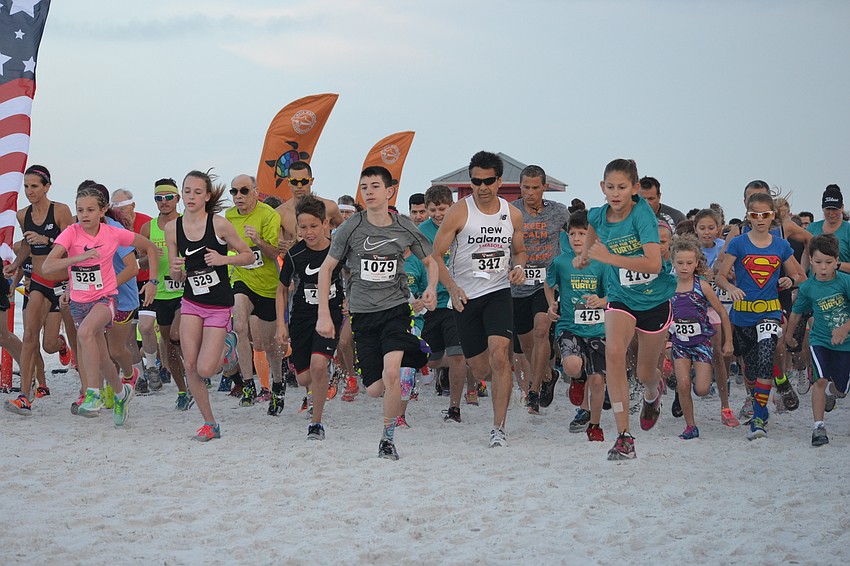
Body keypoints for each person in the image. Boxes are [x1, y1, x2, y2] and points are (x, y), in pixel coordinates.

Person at [316, 165, 437, 460]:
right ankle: (415, 348)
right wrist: (323, 313)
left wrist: (431, 288)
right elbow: (326, 268)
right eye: (364, 187)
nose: (368, 192)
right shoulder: (351, 226)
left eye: (374, 186)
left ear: (389, 192)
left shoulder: (404, 226)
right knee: (374, 388)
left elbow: (431, 261)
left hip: (396, 309)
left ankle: (387, 439)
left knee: (392, 372)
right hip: (363, 313)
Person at [573, 159, 676, 460]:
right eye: (610, 187)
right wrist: (584, 255)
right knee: (614, 352)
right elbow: (593, 226)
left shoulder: (642, 215)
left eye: (622, 187)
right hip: (621, 296)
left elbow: (654, 264)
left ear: (634, 189)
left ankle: (652, 393)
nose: (615, 194)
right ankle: (624, 436)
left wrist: (608, 257)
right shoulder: (598, 214)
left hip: (654, 299)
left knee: (645, 372)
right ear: (601, 187)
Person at [431, 151, 527, 447]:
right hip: (466, 297)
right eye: (476, 181)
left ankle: (498, 427)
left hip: (498, 291)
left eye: (488, 181)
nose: (482, 187)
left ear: (499, 181)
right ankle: (499, 375)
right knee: (482, 368)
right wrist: (452, 288)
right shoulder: (460, 212)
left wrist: (520, 266)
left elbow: (519, 251)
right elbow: (436, 254)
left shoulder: (512, 214)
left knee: (499, 354)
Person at [40, 185, 159, 425]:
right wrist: (77, 260)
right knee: (103, 357)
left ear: (103, 210)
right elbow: (47, 267)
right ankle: (120, 393)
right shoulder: (72, 233)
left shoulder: (112, 233)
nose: (85, 215)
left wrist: (154, 281)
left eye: (90, 210)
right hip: (79, 303)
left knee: (86, 336)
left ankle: (92, 393)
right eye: (80, 210)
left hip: (107, 299)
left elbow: (150, 247)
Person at [166, 170, 254, 441]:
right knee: (191, 365)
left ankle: (229, 345)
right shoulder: (173, 228)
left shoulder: (219, 225)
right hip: (192, 301)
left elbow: (248, 256)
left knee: (206, 369)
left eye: (197, 192)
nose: (191, 197)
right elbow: (175, 274)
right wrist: (177, 269)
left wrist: (223, 259)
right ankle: (210, 423)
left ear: (207, 196)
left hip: (218, 304)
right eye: (187, 191)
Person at [715, 192, 805, 440]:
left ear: (772, 216)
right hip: (742, 317)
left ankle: (758, 418)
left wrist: (790, 279)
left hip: (770, 312)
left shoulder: (781, 245)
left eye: (765, 214)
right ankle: (773, 382)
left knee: (765, 356)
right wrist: (731, 288)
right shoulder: (739, 243)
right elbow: (720, 276)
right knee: (752, 372)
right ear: (749, 217)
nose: (760, 219)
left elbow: (800, 277)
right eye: (755, 215)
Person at [3, 165, 74, 414]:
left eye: (34, 186)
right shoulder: (23, 215)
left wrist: (49, 241)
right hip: (39, 283)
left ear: (47, 187)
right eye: (26, 187)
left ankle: (87, 389)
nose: (29, 191)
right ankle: (25, 394)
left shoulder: (61, 210)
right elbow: (27, 246)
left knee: (51, 344)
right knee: (30, 337)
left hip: (64, 284)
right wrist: (15, 264)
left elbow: (74, 243)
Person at [276, 194, 346, 438]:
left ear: (326, 224)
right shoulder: (295, 254)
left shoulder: (338, 250)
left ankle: (316, 422)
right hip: (302, 317)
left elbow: (351, 274)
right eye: (303, 227)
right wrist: (281, 324)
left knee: (318, 366)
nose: (309, 232)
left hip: (331, 315)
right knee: (303, 375)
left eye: (314, 226)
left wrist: (349, 299)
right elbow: (282, 289)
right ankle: (329, 375)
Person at [510, 165, 569, 414]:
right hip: (519, 284)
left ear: (545, 187)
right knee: (525, 343)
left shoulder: (559, 212)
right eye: (526, 187)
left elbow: (581, 233)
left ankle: (533, 393)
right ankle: (546, 374)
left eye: (535, 187)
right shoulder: (512, 211)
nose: (530, 192)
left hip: (548, 282)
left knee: (542, 330)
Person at [545, 210, 608, 441]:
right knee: (572, 366)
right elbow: (548, 283)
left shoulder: (602, 263)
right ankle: (578, 379)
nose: (577, 238)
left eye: (583, 233)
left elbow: (613, 292)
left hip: (598, 329)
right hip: (569, 325)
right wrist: (552, 305)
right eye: (573, 233)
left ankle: (594, 423)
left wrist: (602, 301)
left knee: (598, 380)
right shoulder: (561, 261)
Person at [785, 234, 850, 446]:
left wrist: (844, 328)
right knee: (820, 380)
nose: (823, 268)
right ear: (810, 260)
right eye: (818, 262)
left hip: (845, 344)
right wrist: (789, 335)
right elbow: (796, 312)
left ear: (837, 261)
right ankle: (818, 427)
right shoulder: (807, 287)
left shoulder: (845, 282)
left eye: (829, 263)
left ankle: (834, 393)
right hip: (820, 340)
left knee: (841, 388)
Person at [225, 174, 284, 408]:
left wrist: (258, 240)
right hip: (242, 278)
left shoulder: (269, 215)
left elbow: (272, 254)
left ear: (255, 191)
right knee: (239, 325)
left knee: (268, 344)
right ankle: (248, 384)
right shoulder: (228, 217)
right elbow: (223, 243)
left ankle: (277, 384)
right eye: (234, 192)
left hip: (268, 285)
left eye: (244, 191)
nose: (238, 196)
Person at [668, 236, 733, 439]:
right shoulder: (669, 287)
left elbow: (722, 312)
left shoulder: (702, 286)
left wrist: (728, 340)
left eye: (689, 263)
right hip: (679, 343)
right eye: (680, 263)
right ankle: (690, 426)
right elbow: (663, 315)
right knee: (683, 385)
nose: (684, 267)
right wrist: (665, 342)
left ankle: (698, 374)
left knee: (703, 389)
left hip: (702, 343)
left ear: (696, 263)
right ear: (673, 263)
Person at [419, 184, 471, 422]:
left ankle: (454, 407)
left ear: (451, 206)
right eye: (433, 210)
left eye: (442, 208)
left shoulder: (462, 226)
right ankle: (446, 370)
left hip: (456, 300)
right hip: (430, 302)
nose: (438, 214)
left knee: (458, 354)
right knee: (429, 358)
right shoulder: (421, 232)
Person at [139, 180, 192, 406]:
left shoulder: (187, 224)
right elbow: (139, 264)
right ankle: (183, 390)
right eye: (158, 198)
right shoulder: (147, 229)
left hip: (185, 291)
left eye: (168, 197)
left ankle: (196, 371)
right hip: (160, 292)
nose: (164, 202)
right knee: (169, 348)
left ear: (178, 198)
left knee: (177, 335)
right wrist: (151, 254)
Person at [693, 208, 738, 426]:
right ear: (695, 230)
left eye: (711, 228)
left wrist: (729, 275)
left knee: (719, 356)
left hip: (719, 308)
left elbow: (734, 273)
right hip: (693, 309)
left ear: (719, 229)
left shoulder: (725, 248)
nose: (707, 232)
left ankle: (725, 405)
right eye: (702, 228)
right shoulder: (690, 251)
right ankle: (679, 394)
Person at [276, 161, 343, 253]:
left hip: (326, 261)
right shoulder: (280, 213)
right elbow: (270, 241)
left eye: (303, 181)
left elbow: (345, 231)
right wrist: (278, 243)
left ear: (311, 181)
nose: (299, 186)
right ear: (288, 182)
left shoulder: (329, 206)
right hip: (297, 262)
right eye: (295, 182)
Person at [807, 185, 850, 269]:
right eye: (828, 209)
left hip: (842, 280)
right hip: (814, 280)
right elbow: (805, 254)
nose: (831, 213)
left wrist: (835, 264)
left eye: (835, 209)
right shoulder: (812, 228)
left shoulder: (847, 231)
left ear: (842, 208)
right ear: (822, 208)